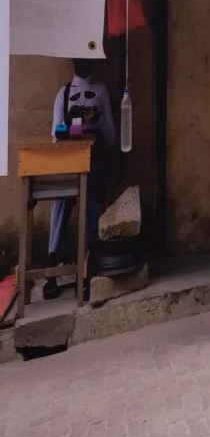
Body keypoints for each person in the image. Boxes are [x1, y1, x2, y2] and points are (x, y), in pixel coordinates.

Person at [45, 59, 118, 279]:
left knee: (90, 196)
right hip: (70, 160)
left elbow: (112, 136)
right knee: (60, 198)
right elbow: (55, 133)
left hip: (94, 160)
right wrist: (69, 129)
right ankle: (52, 254)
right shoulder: (64, 94)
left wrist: (98, 118)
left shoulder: (100, 90)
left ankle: (90, 256)